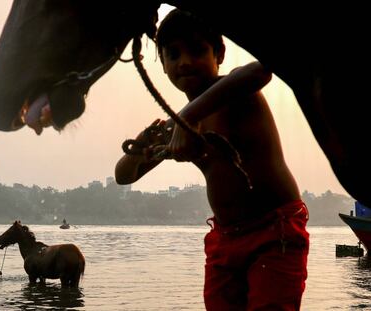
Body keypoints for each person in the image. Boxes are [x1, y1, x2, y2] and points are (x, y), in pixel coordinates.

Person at [115, 8, 309, 310]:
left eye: (196, 50)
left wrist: (188, 115)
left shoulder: (235, 89)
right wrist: (140, 149)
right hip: (224, 241)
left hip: (275, 232)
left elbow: (262, 70)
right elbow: (124, 175)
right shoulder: (175, 127)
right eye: (173, 54)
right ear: (163, 64)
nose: (185, 62)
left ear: (218, 53)